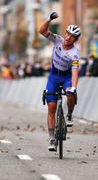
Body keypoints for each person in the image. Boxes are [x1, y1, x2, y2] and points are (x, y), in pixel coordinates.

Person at [39, 11, 80, 151]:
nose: (68, 37)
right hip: (54, 76)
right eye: (68, 34)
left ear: (76, 39)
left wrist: (74, 87)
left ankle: (69, 115)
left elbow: (75, 71)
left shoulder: (74, 53)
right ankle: (51, 138)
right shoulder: (57, 39)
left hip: (67, 76)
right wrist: (49, 19)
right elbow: (42, 30)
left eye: (72, 37)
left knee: (70, 94)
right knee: (51, 107)